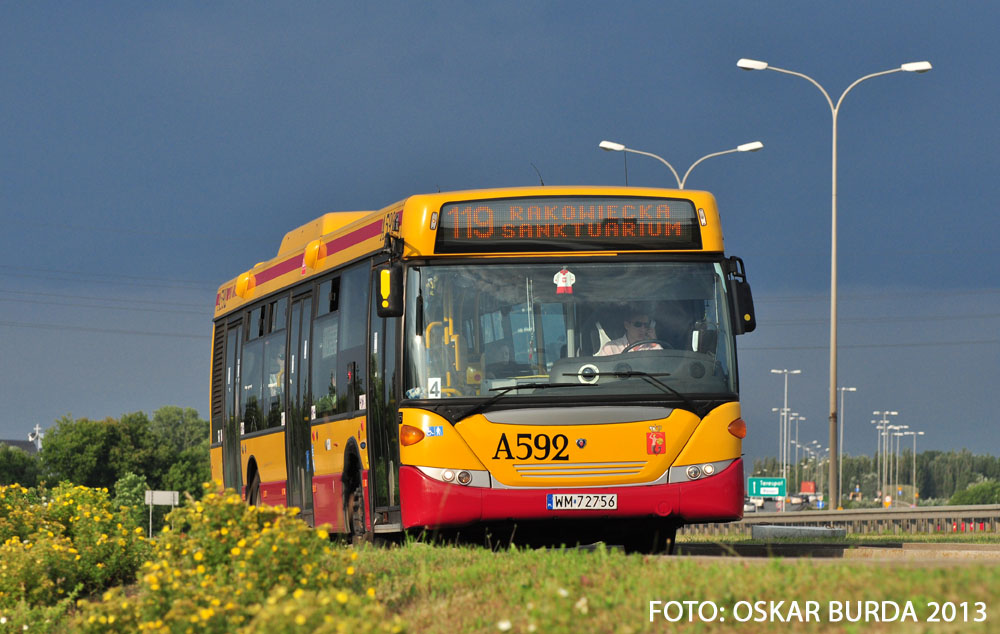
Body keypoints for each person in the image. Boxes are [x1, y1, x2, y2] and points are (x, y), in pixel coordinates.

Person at [595, 308, 664, 356]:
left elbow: (663, 364)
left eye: (646, 325)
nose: (642, 329)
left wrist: (654, 343)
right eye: (638, 324)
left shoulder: (652, 347)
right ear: (627, 325)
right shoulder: (611, 348)